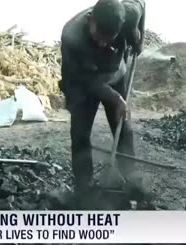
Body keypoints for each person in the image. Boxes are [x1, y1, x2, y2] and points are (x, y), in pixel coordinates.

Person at [59, 0, 146, 207]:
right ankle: (84, 187)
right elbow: (88, 81)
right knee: (80, 133)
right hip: (81, 82)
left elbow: (141, 4)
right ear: (90, 20)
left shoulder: (128, 14)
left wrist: (136, 34)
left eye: (109, 39)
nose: (102, 44)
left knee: (122, 127)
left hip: (115, 76)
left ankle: (131, 180)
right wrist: (116, 99)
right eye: (98, 37)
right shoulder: (73, 36)